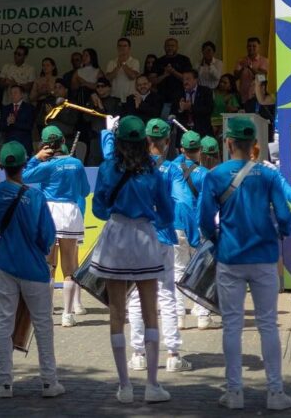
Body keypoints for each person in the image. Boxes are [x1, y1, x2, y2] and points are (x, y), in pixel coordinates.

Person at [200, 116, 291, 411]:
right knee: (268, 324)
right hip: (264, 256)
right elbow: (284, 214)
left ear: (228, 143)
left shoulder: (214, 176)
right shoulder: (267, 176)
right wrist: (282, 232)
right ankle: (276, 392)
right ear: (254, 145)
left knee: (232, 325)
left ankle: (235, 392)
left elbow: (204, 220)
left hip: (231, 256)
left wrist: (216, 240)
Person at [89, 115, 174, 404]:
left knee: (117, 314)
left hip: (116, 236)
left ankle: (124, 386)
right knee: (151, 311)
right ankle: (152, 384)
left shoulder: (106, 168)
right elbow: (166, 212)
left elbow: (99, 208)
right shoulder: (154, 171)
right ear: (145, 141)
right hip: (144, 237)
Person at [0, 141, 64, 399]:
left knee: (2, 323)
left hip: (4, 266)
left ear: (2, 166)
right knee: (43, 325)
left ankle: (4, 383)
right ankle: (49, 382)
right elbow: (47, 237)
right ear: (24, 166)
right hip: (35, 270)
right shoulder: (36, 197)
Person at [125, 119, 190, 374]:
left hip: (136, 236)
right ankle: (173, 354)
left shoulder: (131, 167)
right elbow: (183, 201)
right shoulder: (172, 169)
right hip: (162, 236)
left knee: (135, 295)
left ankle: (138, 354)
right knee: (166, 294)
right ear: (165, 142)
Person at [24, 126, 91, 326]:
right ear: (63, 140)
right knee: (70, 265)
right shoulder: (77, 164)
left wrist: (36, 157)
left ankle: (46, 310)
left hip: (49, 213)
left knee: (47, 265)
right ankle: (68, 315)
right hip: (70, 212)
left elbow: (25, 176)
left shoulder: (46, 166)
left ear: (45, 144)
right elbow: (86, 190)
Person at [172, 132, 212, 331]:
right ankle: (202, 315)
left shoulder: (173, 169)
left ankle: (179, 316)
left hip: (176, 225)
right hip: (197, 226)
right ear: (200, 150)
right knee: (200, 268)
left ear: (182, 149)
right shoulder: (204, 173)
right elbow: (206, 204)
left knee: (178, 269)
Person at [152, 38, 192, 107]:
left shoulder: (184, 60)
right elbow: (152, 81)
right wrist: (165, 75)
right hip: (163, 97)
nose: (170, 48)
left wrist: (173, 71)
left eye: (172, 46)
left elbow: (188, 80)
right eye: (168, 46)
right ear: (164, 47)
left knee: (179, 117)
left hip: (180, 97)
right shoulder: (158, 61)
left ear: (177, 47)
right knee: (164, 116)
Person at [175, 70, 214, 137]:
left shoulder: (206, 91)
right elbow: (173, 111)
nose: (185, 82)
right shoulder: (178, 93)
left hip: (202, 130)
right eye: (183, 79)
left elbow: (208, 109)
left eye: (188, 79)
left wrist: (191, 107)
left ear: (196, 80)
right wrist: (181, 109)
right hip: (184, 131)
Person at [234, 37, 269, 104]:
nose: (251, 48)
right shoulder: (241, 60)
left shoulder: (264, 61)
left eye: (254, 46)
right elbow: (235, 77)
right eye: (249, 46)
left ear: (259, 47)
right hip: (243, 96)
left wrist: (249, 67)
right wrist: (242, 68)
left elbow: (262, 77)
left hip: (257, 97)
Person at [105, 38, 141, 103]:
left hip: (130, 97)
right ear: (117, 48)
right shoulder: (111, 62)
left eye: (125, 46)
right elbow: (108, 78)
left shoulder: (135, 61)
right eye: (120, 46)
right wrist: (118, 67)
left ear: (129, 48)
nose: (122, 48)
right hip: (115, 97)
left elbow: (132, 76)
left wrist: (123, 63)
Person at [1, 85, 35, 155]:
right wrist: (7, 122)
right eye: (11, 93)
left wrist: (14, 122)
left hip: (24, 145)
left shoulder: (29, 108)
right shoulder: (6, 108)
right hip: (10, 145)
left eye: (15, 92)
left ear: (22, 94)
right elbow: (1, 127)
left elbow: (29, 126)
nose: (13, 95)